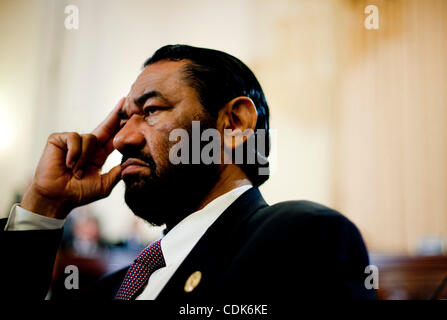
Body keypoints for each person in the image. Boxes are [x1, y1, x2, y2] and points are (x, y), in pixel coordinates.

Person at [0, 45, 376, 300]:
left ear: (233, 124)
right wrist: (43, 206)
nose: (121, 140)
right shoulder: (109, 290)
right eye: (125, 118)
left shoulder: (302, 238)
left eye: (150, 111)